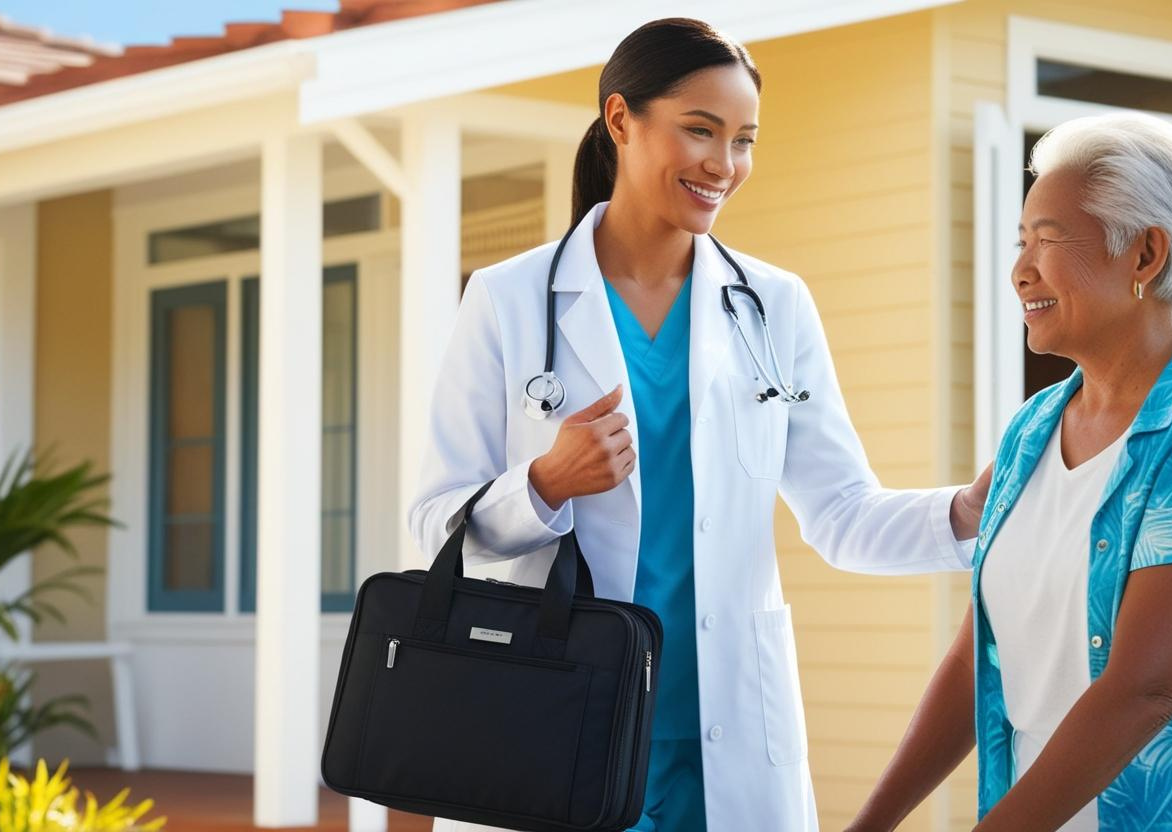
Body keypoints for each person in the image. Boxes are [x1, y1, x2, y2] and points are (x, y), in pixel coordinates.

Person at [408, 18, 990, 832]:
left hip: (721, 740)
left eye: (744, 140)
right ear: (620, 120)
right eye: (700, 131)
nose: (725, 164)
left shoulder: (773, 305)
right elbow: (437, 525)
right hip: (556, 723)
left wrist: (963, 511)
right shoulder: (508, 299)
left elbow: (842, 514)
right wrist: (544, 485)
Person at [848, 112, 1172, 832]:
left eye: (1050, 239)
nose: (1020, 268)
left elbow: (1146, 692)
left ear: (1145, 255)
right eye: (1021, 239)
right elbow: (978, 657)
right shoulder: (1032, 430)